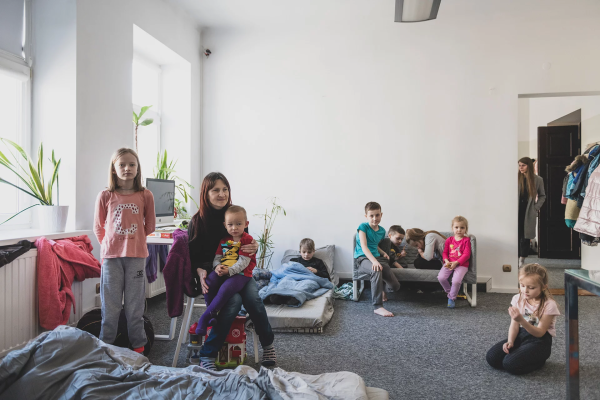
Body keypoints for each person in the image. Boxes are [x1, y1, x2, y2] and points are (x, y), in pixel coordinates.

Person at [188, 172, 276, 370]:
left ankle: (268, 345)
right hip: (215, 275)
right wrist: (201, 271)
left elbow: (247, 242)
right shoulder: (197, 222)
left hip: (240, 273)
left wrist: (254, 246)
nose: (222, 194)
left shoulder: (234, 214)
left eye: (225, 189)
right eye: (216, 190)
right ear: (205, 193)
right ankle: (208, 354)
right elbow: (192, 256)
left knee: (253, 298)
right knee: (233, 303)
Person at [93, 148, 155, 354]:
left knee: (134, 306)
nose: (127, 168)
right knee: (110, 307)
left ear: (138, 168)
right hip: (111, 258)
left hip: (136, 257)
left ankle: (138, 347)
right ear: (114, 168)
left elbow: (150, 226)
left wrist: (134, 240)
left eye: (132, 164)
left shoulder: (146, 195)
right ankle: (105, 348)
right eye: (122, 165)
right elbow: (98, 226)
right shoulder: (105, 195)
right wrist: (109, 244)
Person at [486, 264, 560, 375]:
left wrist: (521, 320)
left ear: (544, 287)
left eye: (531, 287)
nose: (525, 290)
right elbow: (514, 325)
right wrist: (510, 341)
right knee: (492, 358)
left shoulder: (549, 305)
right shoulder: (517, 299)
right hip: (521, 335)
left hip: (540, 342)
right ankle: (521, 354)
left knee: (509, 365)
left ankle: (539, 361)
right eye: (522, 285)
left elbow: (540, 333)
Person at [195, 206, 256, 336]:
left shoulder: (247, 240)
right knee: (209, 281)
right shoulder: (224, 240)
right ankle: (212, 315)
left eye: (238, 224)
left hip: (241, 274)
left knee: (226, 288)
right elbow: (217, 258)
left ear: (246, 224)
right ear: (225, 225)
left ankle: (205, 317)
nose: (234, 228)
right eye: (230, 224)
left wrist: (229, 271)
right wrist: (217, 267)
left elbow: (243, 262)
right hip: (225, 270)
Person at [354, 202, 401, 317]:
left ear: (381, 214)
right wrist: (374, 261)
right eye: (371, 216)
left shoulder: (382, 231)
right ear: (366, 216)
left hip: (377, 257)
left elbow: (374, 245)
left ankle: (382, 289)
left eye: (377, 215)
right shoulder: (363, 227)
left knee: (395, 286)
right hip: (363, 258)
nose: (375, 218)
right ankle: (378, 306)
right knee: (376, 270)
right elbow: (364, 246)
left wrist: (383, 252)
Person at [518, 157, 546, 268]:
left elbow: (542, 196)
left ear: (529, 166)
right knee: (516, 234)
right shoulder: (515, 178)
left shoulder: (538, 179)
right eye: (519, 165)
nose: (520, 167)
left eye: (523, 165)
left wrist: (536, 207)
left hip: (528, 211)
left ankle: (522, 259)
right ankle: (514, 258)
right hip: (516, 211)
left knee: (525, 236)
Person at [438, 216, 471, 309]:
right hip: (449, 263)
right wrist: (446, 261)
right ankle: (451, 293)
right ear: (452, 228)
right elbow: (445, 252)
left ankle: (451, 298)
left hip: (462, 265)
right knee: (441, 278)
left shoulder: (466, 240)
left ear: (466, 229)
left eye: (462, 227)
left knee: (456, 281)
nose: (459, 230)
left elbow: (466, 254)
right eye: (456, 227)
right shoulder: (449, 240)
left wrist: (456, 263)